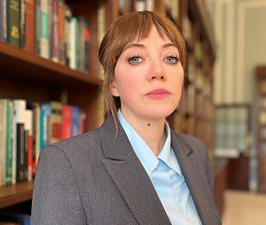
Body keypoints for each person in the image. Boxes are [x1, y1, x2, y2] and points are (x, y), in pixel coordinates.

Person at [31, 11, 221, 225]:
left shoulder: (197, 153)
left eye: (170, 58)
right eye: (136, 58)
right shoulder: (66, 163)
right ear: (112, 82)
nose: (158, 72)